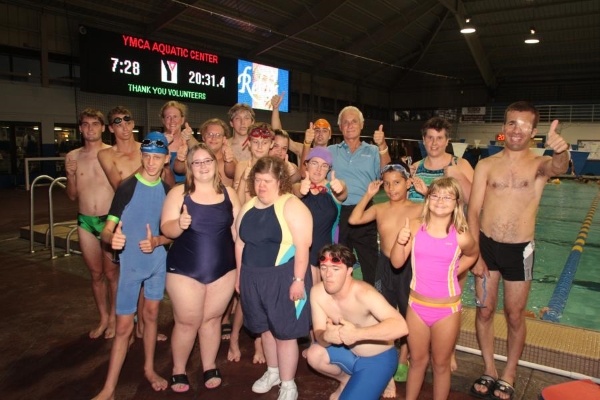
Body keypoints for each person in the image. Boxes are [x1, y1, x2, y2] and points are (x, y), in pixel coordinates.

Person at [468, 101, 570, 400]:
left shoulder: (539, 164)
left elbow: (558, 166)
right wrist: (475, 254)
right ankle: (489, 369)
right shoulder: (486, 165)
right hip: (486, 246)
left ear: (534, 132)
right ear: (503, 128)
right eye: (512, 123)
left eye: (524, 125)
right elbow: (473, 212)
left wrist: (561, 150)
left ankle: (509, 372)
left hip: (520, 250)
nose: (516, 129)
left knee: (514, 315)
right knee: (484, 312)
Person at [92, 132, 172, 400]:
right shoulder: (127, 187)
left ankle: (149, 369)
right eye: (147, 157)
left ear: (166, 159)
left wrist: (159, 240)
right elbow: (107, 230)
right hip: (131, 266)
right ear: (142, 156)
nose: (151, 163)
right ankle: (109, 388)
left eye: (157, 158)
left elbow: (172, 233)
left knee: (151, 316)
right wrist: (111, 239)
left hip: (157, 262)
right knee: (124, 328)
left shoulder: (168, 191)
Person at [161, 142, 241, 392]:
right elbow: (166, 228)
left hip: (224, 269)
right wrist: (180, 223)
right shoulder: (178, 193)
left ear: (215, 164)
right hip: (185, 269)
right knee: (187, 321)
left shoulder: (229, 193)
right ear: (189, 167)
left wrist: (243, 266)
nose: (203, 166)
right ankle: (179, 369)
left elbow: (238, 232)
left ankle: (208, 365)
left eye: (208, 161)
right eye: (197, 162)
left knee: (212, 320)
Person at [390, 177, 478, 400]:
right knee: (417, 361)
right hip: (416, 307)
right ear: (428, 199)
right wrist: (399, 242)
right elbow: (397, 263)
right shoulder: (415, 227)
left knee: (441, 364)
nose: (441, 200)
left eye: (448, 196)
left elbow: (473, 254)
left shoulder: (460, 234)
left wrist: (454, 270)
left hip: (447, 310)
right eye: (436, 195)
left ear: (456, 202)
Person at [236, 156, 313, 400]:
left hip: (283, 276)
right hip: (252, 277)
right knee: (265, 330)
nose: (261, 186)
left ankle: (288, 383)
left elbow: (303, 246)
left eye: (267, 181)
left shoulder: (292, 205)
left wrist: (298, 281)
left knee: (285, 333)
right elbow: (240, 242)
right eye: (258, 180)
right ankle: (273, 371)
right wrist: (239, 276)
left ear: (280, 181)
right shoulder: (248, 206)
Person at [348, 163, 423, 389]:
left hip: (409, 268)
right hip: (384, 266)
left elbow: (447, 212)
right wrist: (368, 195)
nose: (391, 188)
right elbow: (354, 219)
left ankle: (403, 358)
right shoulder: (380, 208)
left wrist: (427, 193)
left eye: (397, 182)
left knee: (408, 314)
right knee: (383, 315)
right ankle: (386, 363)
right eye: (387, 184)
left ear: (408, 183)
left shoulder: (419, 208)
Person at [98, 106, 168, 342]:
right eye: (117, 122)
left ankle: (141, 327)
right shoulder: (107, 155)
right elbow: (122, 187)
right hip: (122, 214)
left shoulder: (145, 147)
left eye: (127, 121)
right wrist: (152, 163)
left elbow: (163, 182)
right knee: (113, 274)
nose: (124, 126)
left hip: (148, 215)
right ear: (111, 127)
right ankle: (119, 323)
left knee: (146, 275)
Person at [306, 244, 408, 400]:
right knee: (314, 354)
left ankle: (385, 377)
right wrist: (326, 336)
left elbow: (401, 326)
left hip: (378, 358)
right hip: (349, 352)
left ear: (349, 271)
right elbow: (319, 334)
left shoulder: (364, 293)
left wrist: (357, 334)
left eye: (335, 269)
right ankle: (346, 380)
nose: (328, 275)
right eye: (324, 267)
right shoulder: (317, 293)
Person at [65, 108, 118, 339]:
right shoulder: (73, 156)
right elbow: (72, 196)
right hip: (85, 220)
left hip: (109, 220)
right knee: (95, 274)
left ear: (103, 127)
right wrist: (69, 176)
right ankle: (103, 317)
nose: (90, 129)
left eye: (95, 124)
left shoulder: (111, 153)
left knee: (112, 274)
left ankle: (115, 319)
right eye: (85, 124)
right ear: (80, 128)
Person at [328, 106, 391, 285]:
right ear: (339, 126)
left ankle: (372, 304)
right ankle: (340, 303)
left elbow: (386, 173)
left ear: (362, 125)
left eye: (354, 121)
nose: (350, 125)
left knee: (371, 262)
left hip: (364, 212)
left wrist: (383, 146)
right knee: (339, 263)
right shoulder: (331, 151)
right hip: (338, 213)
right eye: (345, 122)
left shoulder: (373, 151)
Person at [293, 146, 346, 286]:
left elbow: (343, 193)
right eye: (314, 163)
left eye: (324, 166)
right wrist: (301, 190)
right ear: (306, 165)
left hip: (326, 254)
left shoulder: (333, 189)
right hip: (298, 253)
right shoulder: (298, 187)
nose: (318, 169)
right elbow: (296, 190)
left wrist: (341, 188)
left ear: (329, 169)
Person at [408, 116, 474, 204]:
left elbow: (476, 202)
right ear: (424, 140)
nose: (434, 143)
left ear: (447, 141)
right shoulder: (415, 168)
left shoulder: (461, 165)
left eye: (439, 138)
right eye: (430, 138)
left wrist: (459, 177)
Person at [173, 118, 236, 186]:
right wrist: (180, 159)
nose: (213, 138)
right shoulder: (195, 157)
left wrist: (228, 161)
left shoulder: (230, 159)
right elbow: (179, 170)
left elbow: (232, 173)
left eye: (218, 135)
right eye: (210, 134)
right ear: (203, 137)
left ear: (223, 139)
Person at [160, 100, 197, 184]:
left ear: (182, 120)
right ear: (163, 120)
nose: (172, 120)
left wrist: (190, 138)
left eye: (175, 116)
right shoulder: (157, 141)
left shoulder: (189, 141)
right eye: (168, 117)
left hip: (188, 189)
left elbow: (203, 154)